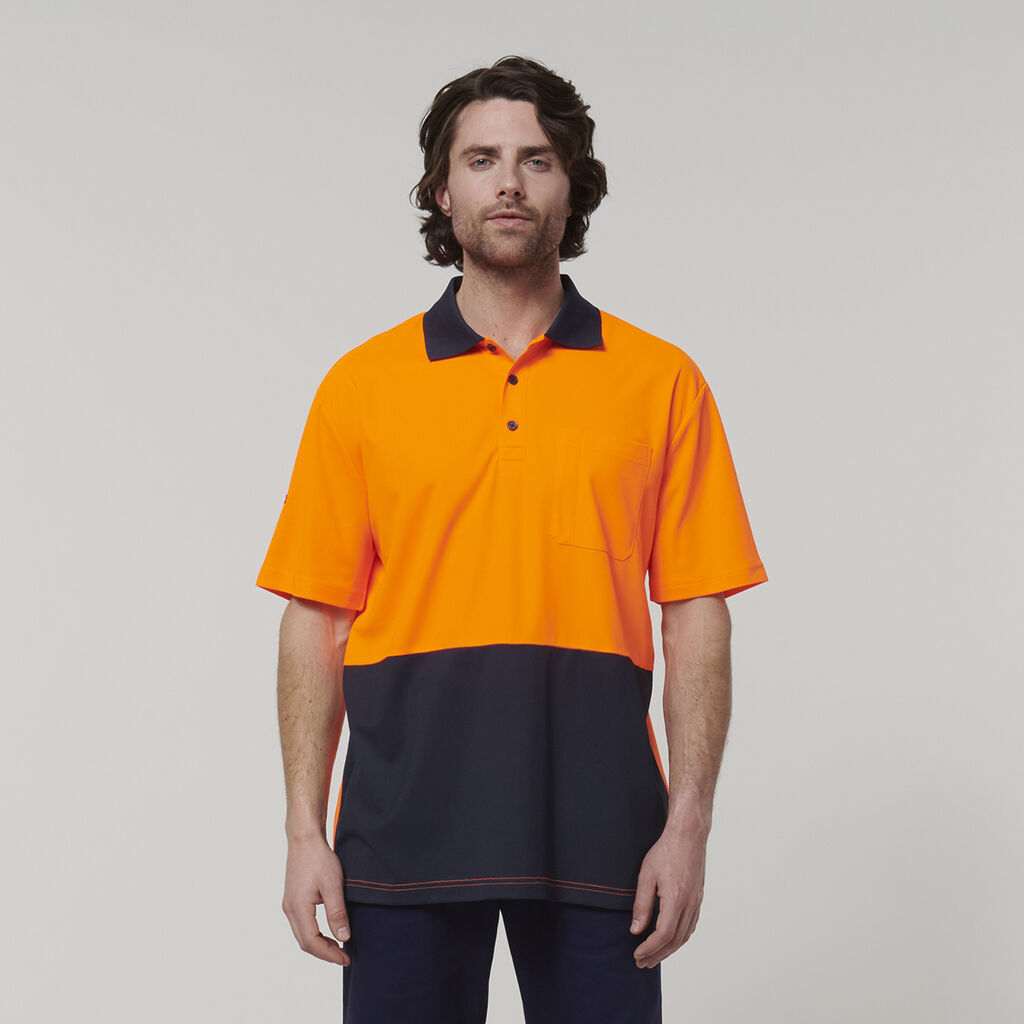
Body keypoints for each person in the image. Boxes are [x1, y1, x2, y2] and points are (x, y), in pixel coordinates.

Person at [256, 55, 767, 1023]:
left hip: (604, 827)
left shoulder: (661, 381)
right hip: (401, 828)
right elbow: (314, 618)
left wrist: (689, 825)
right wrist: (301, 832)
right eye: (481, 159)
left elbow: (696, 609)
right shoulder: (362, 386)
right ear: (441, 190)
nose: (509, 183)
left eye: (536, 159)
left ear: (571, 186)